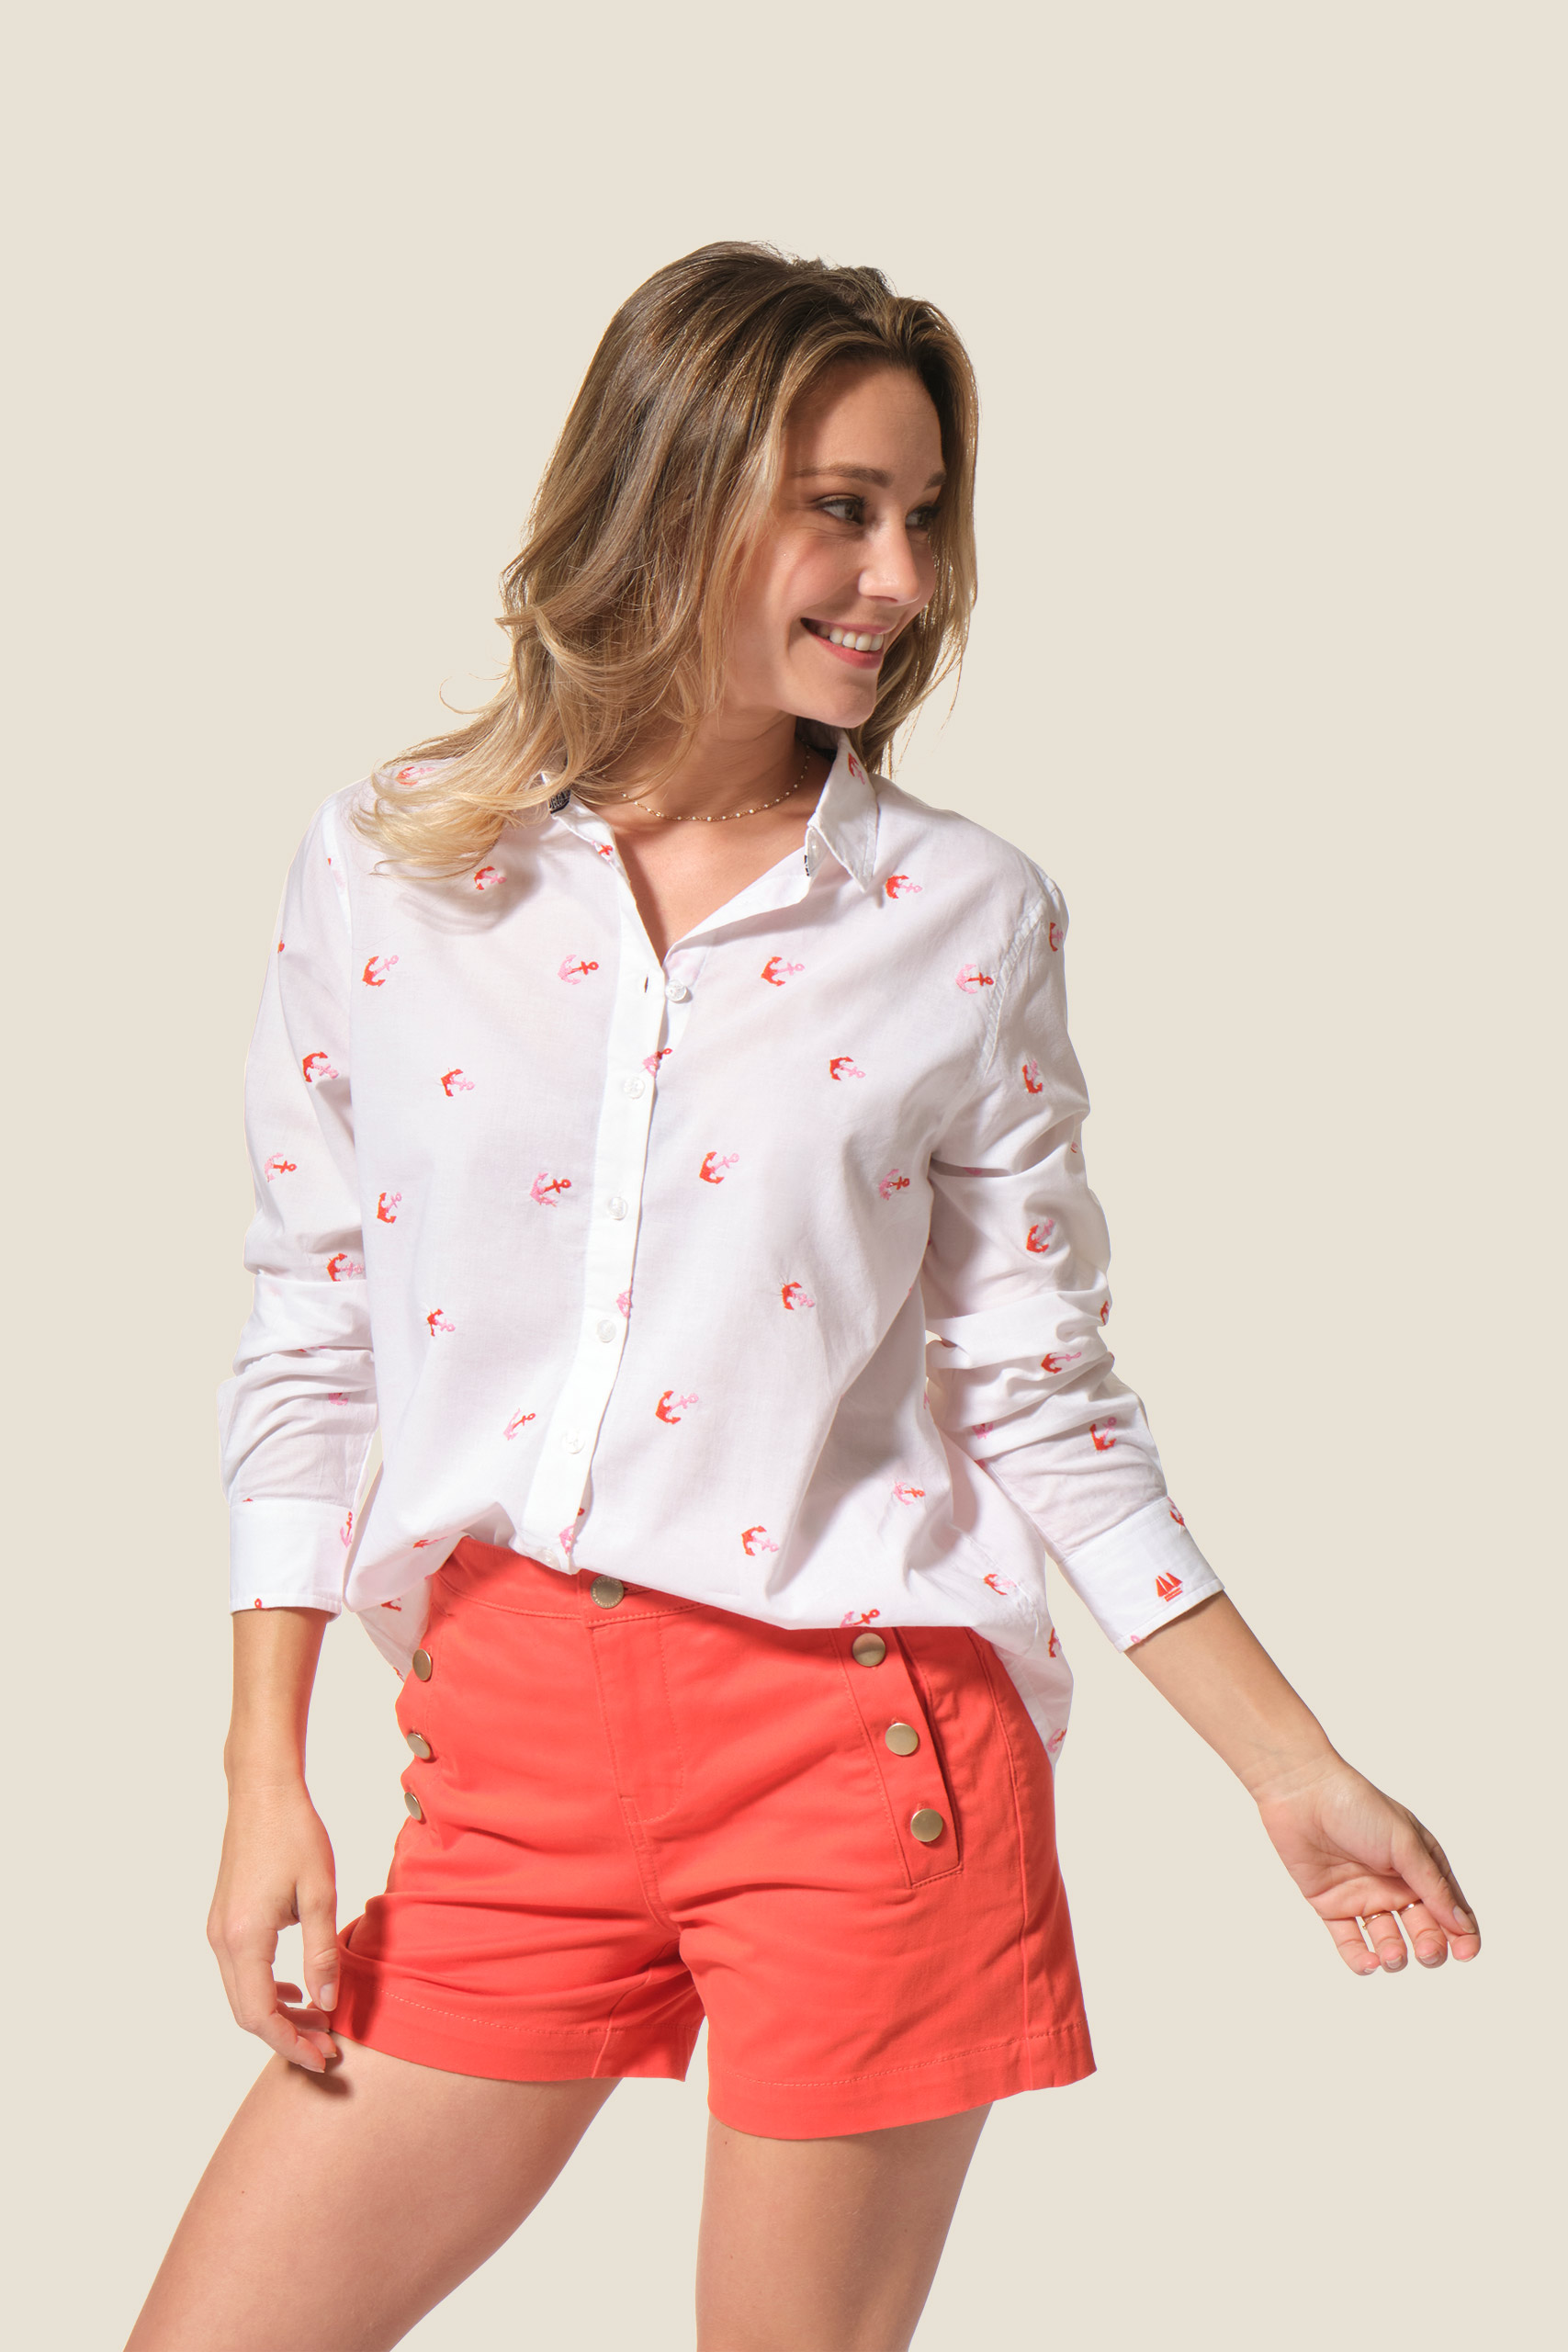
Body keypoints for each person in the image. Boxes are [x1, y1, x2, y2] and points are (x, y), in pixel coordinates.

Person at [129, 243, 1481, 2352]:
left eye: (923, 514)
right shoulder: (389, 864)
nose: (900, 576)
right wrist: (260, 1771)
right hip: (502, 1754)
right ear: (666, 494)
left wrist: (1285, 1763)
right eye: (838, 507)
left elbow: (1036, 1385)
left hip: (861, 1751)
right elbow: (311, 1322)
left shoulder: (961, 915)